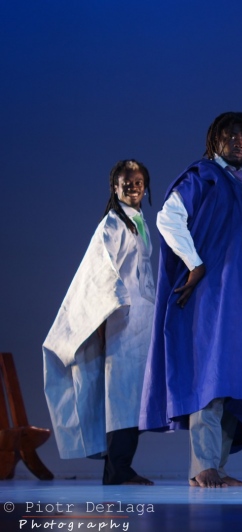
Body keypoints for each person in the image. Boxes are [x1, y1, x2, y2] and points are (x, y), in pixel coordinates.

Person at [139, 112, 242, 488]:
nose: (239, 141)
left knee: (238, 383)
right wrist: (194, 264)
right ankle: (203, 466)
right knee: (211, 377)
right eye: (231, 135)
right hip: (211, 300)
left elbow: (240, 246)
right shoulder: (202, 177)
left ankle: (216, 468)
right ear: (214, 141)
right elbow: (168, 218)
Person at [43, 159, 156, 485]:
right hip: (122, 320)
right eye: (126, 183)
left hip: (141, 320)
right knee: (121, 395)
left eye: (138, 182)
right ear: (115, 188)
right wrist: (111, 311)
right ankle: (118, 468)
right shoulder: (113, 223)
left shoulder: (138, 222)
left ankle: (117, 469)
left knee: (133, 396)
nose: (133, 187)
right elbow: (101, 270)